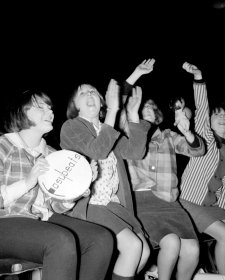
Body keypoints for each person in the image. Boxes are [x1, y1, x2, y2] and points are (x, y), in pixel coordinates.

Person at [0, 89, 114, 280]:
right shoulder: (4, 145)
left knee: (101, 239)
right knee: (61, 241)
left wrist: (77, 190)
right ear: (23, 112)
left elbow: (56, 206)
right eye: (41, 107)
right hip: (6, 221)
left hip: (41, 219)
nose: (50, 112)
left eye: (50, 108)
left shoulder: (53, 154)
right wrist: (28, 182)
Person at [122, 59, 205, 280]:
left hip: (170, 201)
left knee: (193, 250)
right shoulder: (129, 132)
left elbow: (197, 150)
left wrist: (188, 133)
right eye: (143, 107)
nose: (148, 109)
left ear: (158, 113)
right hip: (142, 201)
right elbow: (116, 103)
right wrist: (135, 75)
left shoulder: (168, 136)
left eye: (152, 107)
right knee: (171, 243)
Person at [60, 79, 151, 280]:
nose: (90, 94)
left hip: (113, 204)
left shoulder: (107, 128)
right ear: (74, 105)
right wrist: (113, 111)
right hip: (88, 203)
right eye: (82, 92)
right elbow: (97, 151)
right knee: (133, 246)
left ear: (101, 101)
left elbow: (135, 152)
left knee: (144, 252)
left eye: (93, 91)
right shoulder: (71, 127)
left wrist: (134, 116)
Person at [180, 62, 225, 274]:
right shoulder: (205, 138)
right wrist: (198, 77)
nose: (223, 118)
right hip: (191, 202)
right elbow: (201, 107)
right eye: (218, 115)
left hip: (217, 208)